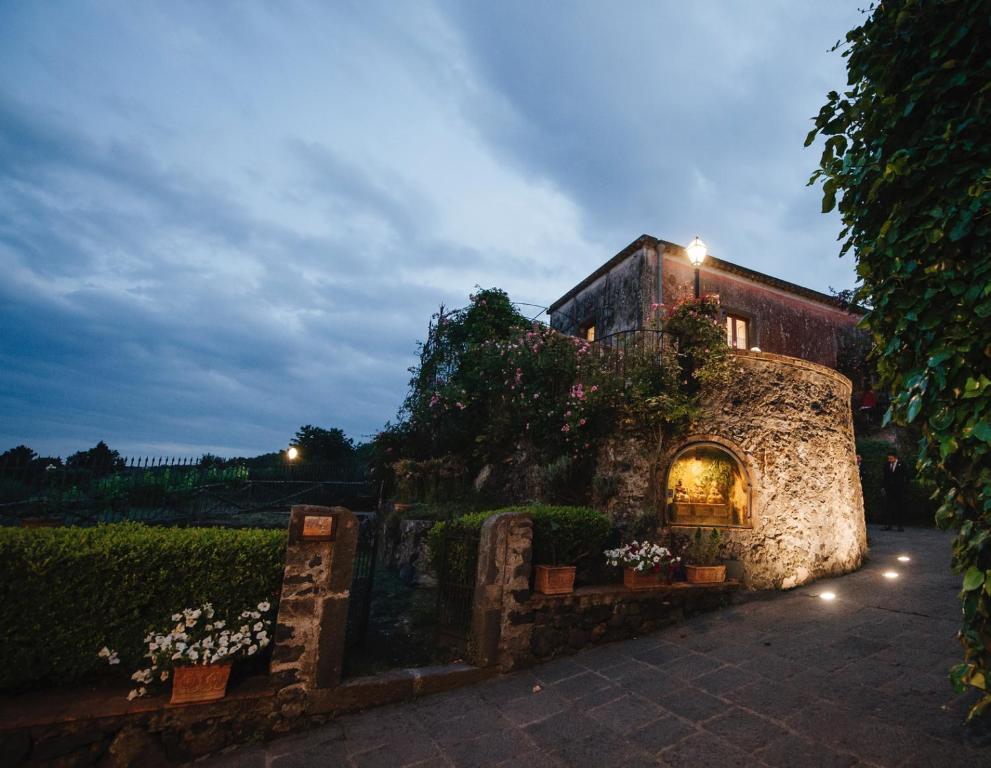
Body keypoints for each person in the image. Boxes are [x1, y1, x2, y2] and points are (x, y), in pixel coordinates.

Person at [882, 452, 905, 531]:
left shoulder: (901, 465)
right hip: (889, 490)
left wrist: (903, 487)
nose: (889, 460)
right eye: (888, 458)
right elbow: (884, 477)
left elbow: (906, 476)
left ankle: (900, 526)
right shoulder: (886, 465)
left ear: (895, 458)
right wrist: (884, 487)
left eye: (891, 458)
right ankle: (888, 525)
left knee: (899, 508)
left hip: (899, 490)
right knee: (888, 507)